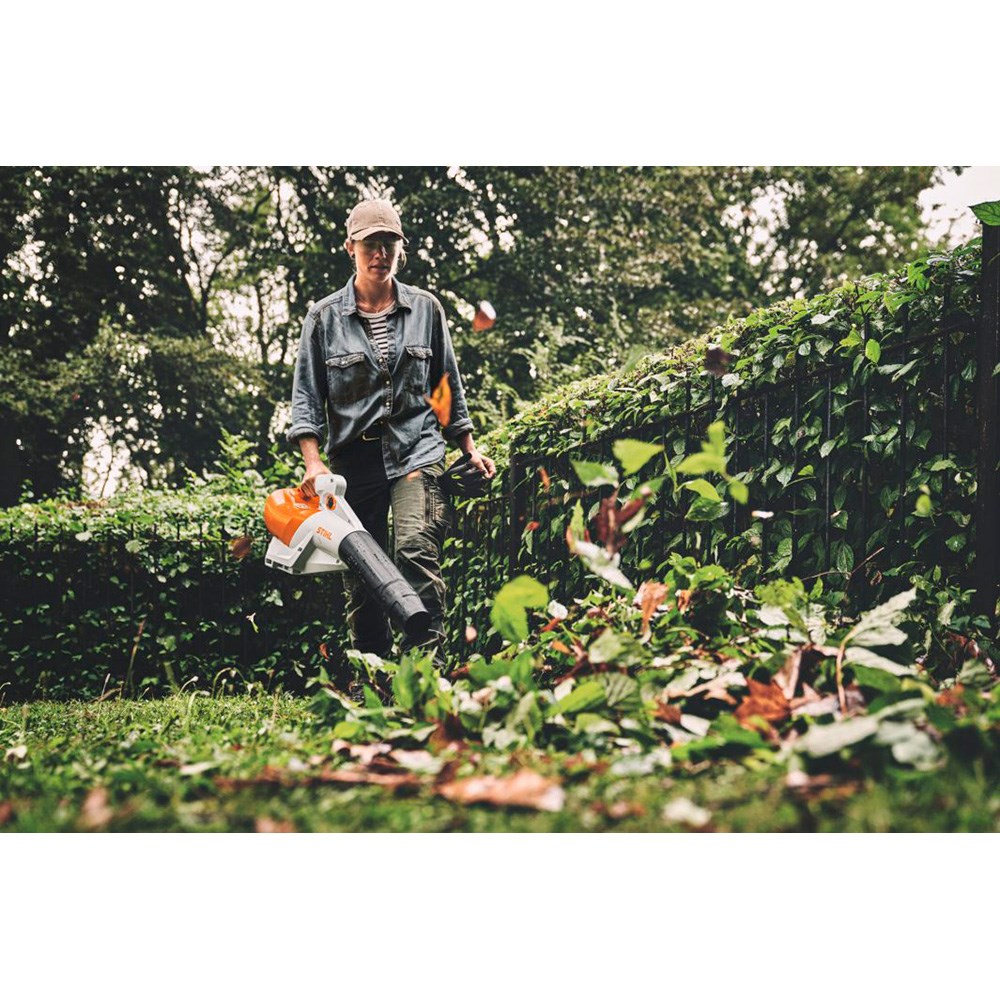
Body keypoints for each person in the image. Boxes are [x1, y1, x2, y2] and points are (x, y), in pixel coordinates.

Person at [286, 197, 495, 667]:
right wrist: (312, 463)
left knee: (415, 547)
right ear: (351, 248)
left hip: (416, 450)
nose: (380, 254)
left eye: (388, 244)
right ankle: (375, 673)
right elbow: (306, 397)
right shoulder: (322, 318)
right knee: (364, 574)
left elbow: (445, 386)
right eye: (370, 245)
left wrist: (468, 447)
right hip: (352, 464)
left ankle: (427, 673)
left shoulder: (426, 308)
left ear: (401, 248)